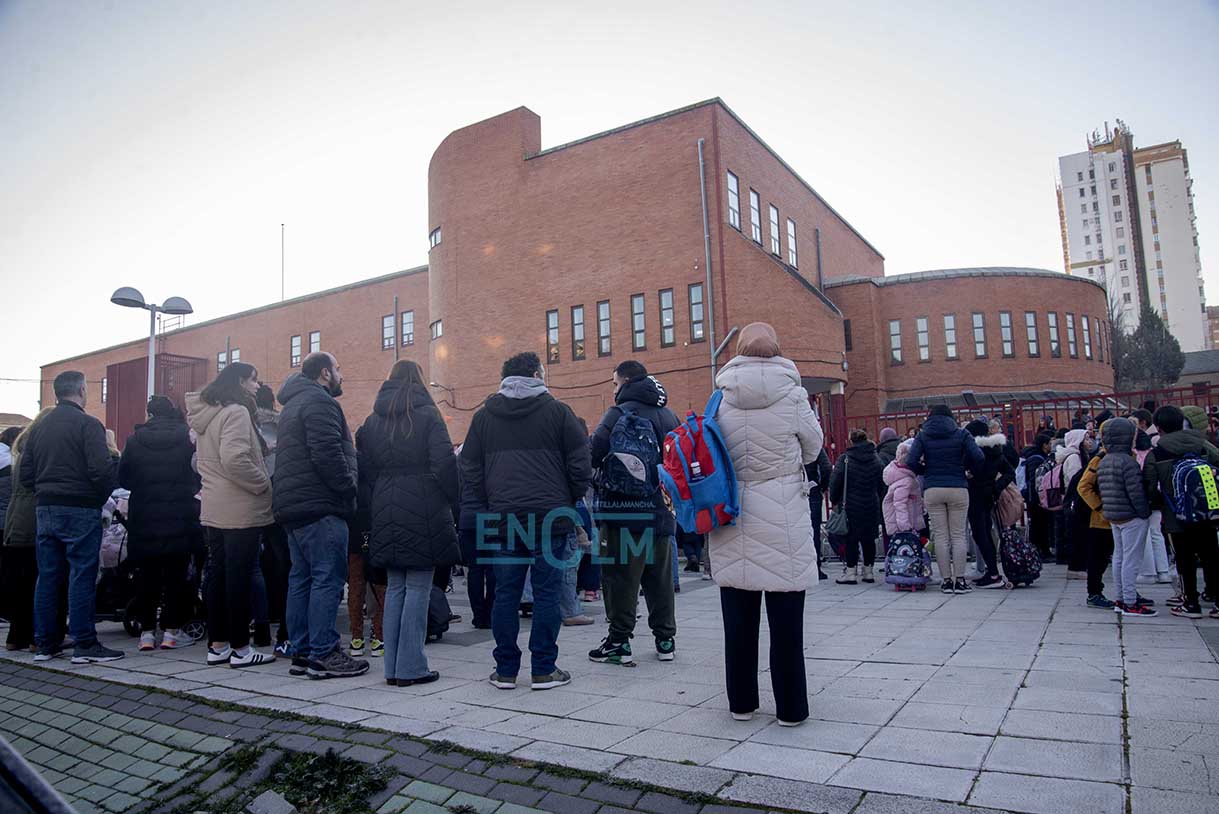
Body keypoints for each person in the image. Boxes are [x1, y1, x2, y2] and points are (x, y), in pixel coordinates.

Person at [707, 323, 822, 726]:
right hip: (783, 513)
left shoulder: (719, 398)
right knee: (787, 621)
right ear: (776, 350)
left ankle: (741, 704)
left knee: (737, 620)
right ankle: (791, 709)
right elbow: (813, 448)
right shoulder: (793, 395)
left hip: (732, 513)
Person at [459, 352, 591, 691]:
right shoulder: (558, 412)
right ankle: (544, 669)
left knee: (505, 593)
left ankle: (505, 670)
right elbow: (580, 466)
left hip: (503, 518)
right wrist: (569, 500)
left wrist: (490, 499)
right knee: (547, 594)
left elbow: (468, 466)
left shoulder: (484, 416)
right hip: (551, 517)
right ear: (536, 374)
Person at [358, 360, 459, 686]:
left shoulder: (373, 421)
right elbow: (444, 464)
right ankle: (412, 665)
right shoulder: (428, 415)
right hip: (423, 502)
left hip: (385, 503)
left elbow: (367, 467)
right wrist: (454, 499)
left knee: (397, 587)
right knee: (417, 586)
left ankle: (393, 667)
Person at [274, 352, 367, 679]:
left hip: (294, 507)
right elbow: (327, 451)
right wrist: (347, 487)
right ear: (325, 373)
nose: (342, 376)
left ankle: (301, 652)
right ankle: (324, 653)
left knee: (301, 579)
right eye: (338, 370)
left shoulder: (291, 406)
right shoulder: (320, 402)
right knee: (327, 579)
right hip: (321, 505)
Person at [21, 371, 122, 664]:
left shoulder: (39, 428)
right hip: (80, 507)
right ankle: (84, 643)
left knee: (48, 576)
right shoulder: (88, 424)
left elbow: (25, 473)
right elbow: (101, 471)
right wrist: (97, 497)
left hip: (46, 507)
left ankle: (44, 644)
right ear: (81, 390)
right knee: (82, 574)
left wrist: (45, 492)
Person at [588, 361, 679, 665]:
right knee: (660, 579)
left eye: (614, 384)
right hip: (661, 511)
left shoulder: (617, 413)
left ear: (625, 381)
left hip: (622, 513)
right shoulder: (668, 414)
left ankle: (618, 641)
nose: (613, 390)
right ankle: (665, 640)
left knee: (620, 580)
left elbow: (593, 452)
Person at [187, 363, 276, 668]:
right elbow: (235, 458)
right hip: (240, 506)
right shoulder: (236, 412)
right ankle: (241, 648)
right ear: (240, 382)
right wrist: (263, 482)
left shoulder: (208, 414)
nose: (257, 386)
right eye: (254, 380)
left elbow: (205, 459)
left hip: (213, 505)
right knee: (238, 579)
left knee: (218, 576)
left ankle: (219, 645)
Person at [118, 396, 201, 650]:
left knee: (146, 577)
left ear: (149, 414)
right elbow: (196, 473)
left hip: (145, 518)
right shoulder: (186, 438)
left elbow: (124, 478)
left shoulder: (134, 441)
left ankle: (145, 634)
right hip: (179, 515)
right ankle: (171, 633)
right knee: (176, 577)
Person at [1143, 405, 1219, 619]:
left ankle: (1191, 603)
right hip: (1206, 511)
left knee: (1184, 559)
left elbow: (1149, 486)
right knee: (1211, 555)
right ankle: (1215, 597)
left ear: (1158, 427)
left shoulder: (1156, 453)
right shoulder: (1202, 444)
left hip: (1176, 515)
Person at [906, 405, 984, 594]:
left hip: (933, 488)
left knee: (940, 536)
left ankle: (946, 581)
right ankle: (960, 581)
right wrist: (965, 469)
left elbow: (911, 461)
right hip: (958, 486)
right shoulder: (962, 434)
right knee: (958, 535)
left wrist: (926, 471)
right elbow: (979, 457)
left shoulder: (923, 435)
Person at [3, 414, 58, 653]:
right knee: (39, 580)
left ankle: (16, 636)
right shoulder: (38, 455)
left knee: (20, 581)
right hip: (33, 521)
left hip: (15, 522)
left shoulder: (21, 454)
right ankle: (39, 635)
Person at [1096, 418, 1155, 616]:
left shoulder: (1104, 460)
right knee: (1131, 560)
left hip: (1114, 515)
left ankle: (1121, 598)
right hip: (1131, 516)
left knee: (1120, 558)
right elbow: (1136, 493)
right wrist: (1144, 512)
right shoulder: (1128, 462)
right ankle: (1130, 601)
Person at [253, 384, 291, 655]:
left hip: (248, 500)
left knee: (252, 566)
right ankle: (285, 629)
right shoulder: (284, 426)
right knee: (285, 564)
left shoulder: (242, 425)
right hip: (280, 499)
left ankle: (260, 625)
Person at [828, 429, 885, 584]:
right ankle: (868, 572)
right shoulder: (876, 459)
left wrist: (834, 499)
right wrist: (877, 498)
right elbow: (882, 483)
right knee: (869, 539)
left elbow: (835, 482)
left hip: (850, 505)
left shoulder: (845, 459)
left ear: (851, 441)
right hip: (871, 504)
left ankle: (851, 573)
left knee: (850, 540)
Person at [965, 420, 1015, 589]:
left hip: (974, 495)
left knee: (980, 535)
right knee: (986, 532)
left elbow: (972, 472)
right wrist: (996, 487)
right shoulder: (996, 449)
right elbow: (1010, 472)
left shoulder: (974, 451)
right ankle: (991, 571)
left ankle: (993, 574)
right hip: (989, 495)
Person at [882, 440, 925, 536]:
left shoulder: (901, 475)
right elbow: (899, 504)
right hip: (905, 526)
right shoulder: (905, 480)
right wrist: (905, 528)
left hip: (906, 521)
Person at [1021, 433, 1053, 558]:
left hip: (1035, 497)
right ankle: (1040, 551)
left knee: (1039, 524)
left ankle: (1041, 550)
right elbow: (1035, 479)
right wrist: (1039, 497)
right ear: (1044, 445)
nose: (1051, 446)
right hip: (1036, 497)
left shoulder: (1035, 456)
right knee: (1039, 524)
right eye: (1049, 443)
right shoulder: (1036, 458)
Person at [804, 447, 832, 581]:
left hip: (791, 488)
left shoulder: (787, 442)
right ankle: (815, 566)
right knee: (813, 530)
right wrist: (822, 487)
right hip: (812, 488)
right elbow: (826, 467)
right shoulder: (812, 444)